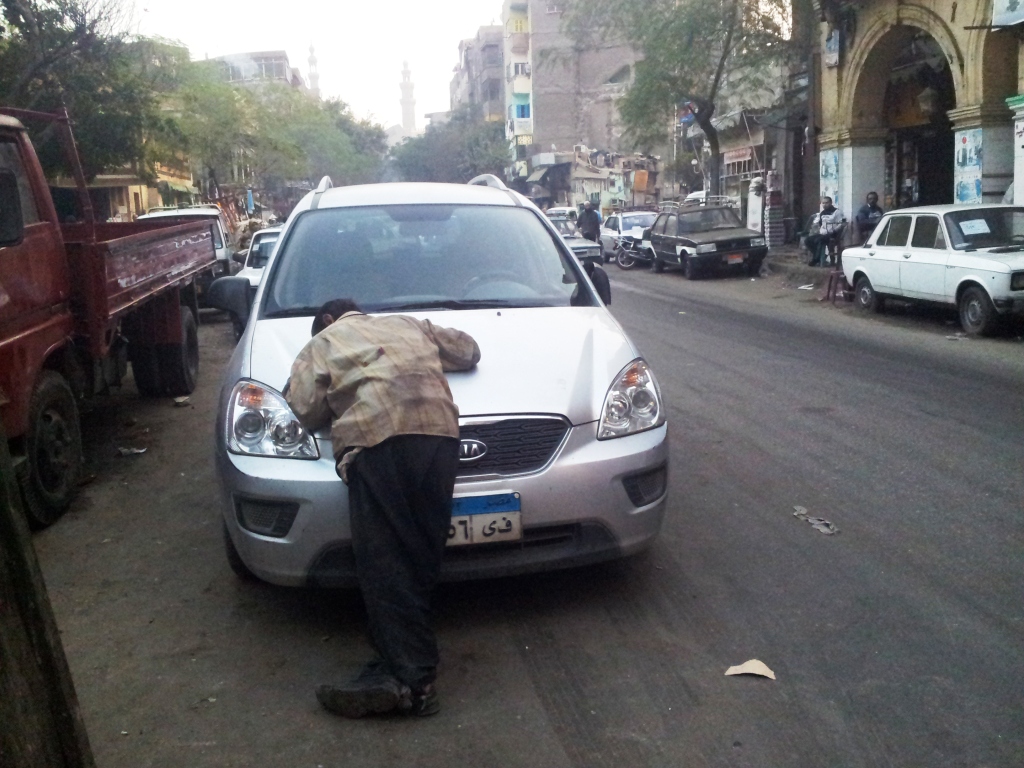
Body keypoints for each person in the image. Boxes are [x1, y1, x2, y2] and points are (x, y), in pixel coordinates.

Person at [286, 298, 481, 719]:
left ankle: (412, 682)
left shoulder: (324, 341)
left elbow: (305, 408)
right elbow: (469, 350)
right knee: (420, 556)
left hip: (379, 440)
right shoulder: (409, 324)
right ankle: (398, 663)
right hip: (440, 437)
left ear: (326, 319)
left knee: (385, 561)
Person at [804, 196, 847, 266]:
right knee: (807, 240)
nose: (824, 205)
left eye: (826, 203)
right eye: (823, 203)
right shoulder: (822, 213)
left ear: (831, 203)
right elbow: (820, 223)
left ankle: (816, 259)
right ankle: (818, 256)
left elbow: (842, 223)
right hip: (823, 234)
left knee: (819, 240)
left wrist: (834, 230)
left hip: (833, 234)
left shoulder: (837, 212)